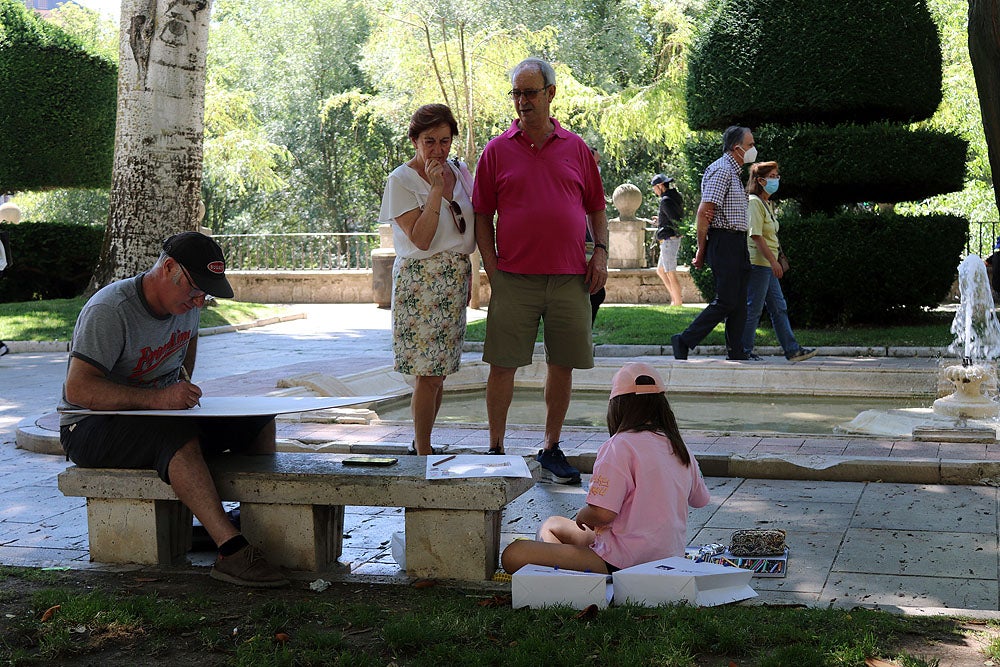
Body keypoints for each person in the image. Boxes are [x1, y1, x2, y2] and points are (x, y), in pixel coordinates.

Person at [58, 232, 288, 588]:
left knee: (257, 420)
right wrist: (158, 400)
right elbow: (79, 389)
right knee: (173, 436)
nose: (199, 302)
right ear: (168, 268)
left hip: (155, 417)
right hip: (89, 426)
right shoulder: (110, 310)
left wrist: (181, 394)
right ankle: (232, 551)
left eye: (205, 295)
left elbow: (184, 358)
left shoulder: (187, 309)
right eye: (195, 291)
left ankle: (243, 520)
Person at [473, 57, 608, 484]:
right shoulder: (496, 150)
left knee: (563, 365)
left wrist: (600, 252)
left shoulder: (577, 148)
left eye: (529, 92)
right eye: (516, 93)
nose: (522, 101)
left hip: (570, 277)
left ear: (550, 93)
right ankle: (495, 448)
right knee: (502, 365)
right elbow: (481, 216)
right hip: (514, 278)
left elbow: (596, 208)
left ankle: (551, 447)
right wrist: (493, 271)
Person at [500, 362, 710, 574]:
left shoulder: (619, 446)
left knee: (514, 553)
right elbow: (699, 499)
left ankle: (567, 576)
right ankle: (565, 570)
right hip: (668, 557)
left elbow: (602, 513)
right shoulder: (681, 448)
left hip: (622, 563)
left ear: (617, 407)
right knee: (552, 524)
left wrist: (583, 515)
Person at [378, 104, 477, 455]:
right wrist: (435, 190)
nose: (438, 150)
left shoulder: (461, 171)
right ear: (414, 141)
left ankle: (422, 443)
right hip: (421, 280)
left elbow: (472, 225)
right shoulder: (401, 180)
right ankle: (423, 452)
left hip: (453, 277)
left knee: (441, 372)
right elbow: (420, 238)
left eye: (445, 141)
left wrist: (471, 279)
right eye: (429, 141)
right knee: (427, 372)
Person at [671, 126, 756, 361]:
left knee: (738, 301)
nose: (753, 150)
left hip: (736, 241)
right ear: (736, 147)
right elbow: (704, 211)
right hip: (724, 240)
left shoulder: (733, 172)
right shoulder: (722, 171)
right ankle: (684, 339)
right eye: (750, 145)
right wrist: (701, 249)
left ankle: (736, 351)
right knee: (727, 299)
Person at [741, 161, 817, 362]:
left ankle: (792, 350)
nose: (776, 180)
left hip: (767, 263)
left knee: (778, 307)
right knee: (754, 308)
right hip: (760, 264)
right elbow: (756, 236)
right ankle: (744, 350)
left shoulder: (766, 202)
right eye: (773, 176)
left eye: (777, 176)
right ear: (760, 180)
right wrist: (773, 262)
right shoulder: (754, 202)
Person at [651, 174, 684, 306]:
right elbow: (673, 217)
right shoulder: (672, 197)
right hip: (669, 238)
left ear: (660, 186)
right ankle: (674, 299)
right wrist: (660, 222)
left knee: (670, 272)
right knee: (660, 270)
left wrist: (676, 233)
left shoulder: (666, 200)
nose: (654, 191)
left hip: (669, 239)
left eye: (654, 188)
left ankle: (678, 303)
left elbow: (675, 220)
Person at [587, 144, 607, 324]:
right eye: (597, 162)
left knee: (597, 293)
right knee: (595, 293)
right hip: (580, 248)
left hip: (592, 246)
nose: (598, 166)